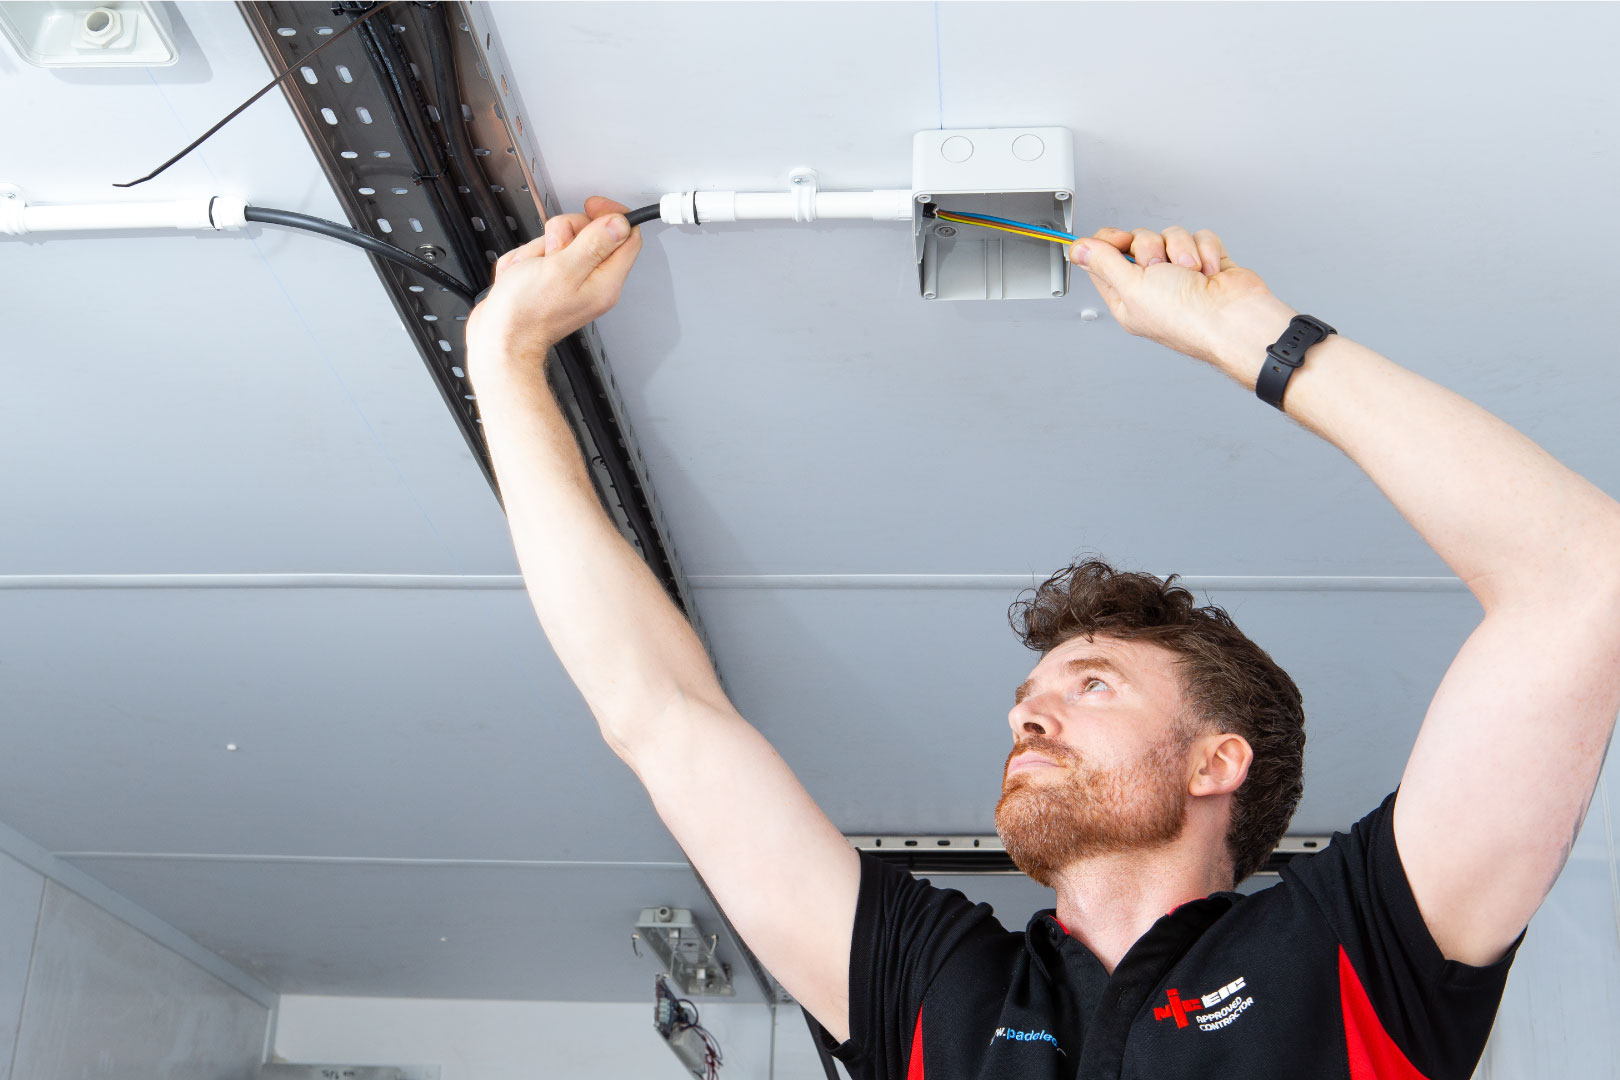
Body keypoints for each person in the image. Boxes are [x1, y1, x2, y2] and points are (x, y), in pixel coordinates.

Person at [464, 197, 1620, 1079]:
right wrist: (504, 362)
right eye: (1033, 692)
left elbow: (1585, 576)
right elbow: (661, 718)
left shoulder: (1358, 951)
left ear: (1218, 761)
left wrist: (1254, 340)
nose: (1028, 711)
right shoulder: (941, 985)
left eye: (1094, 683)